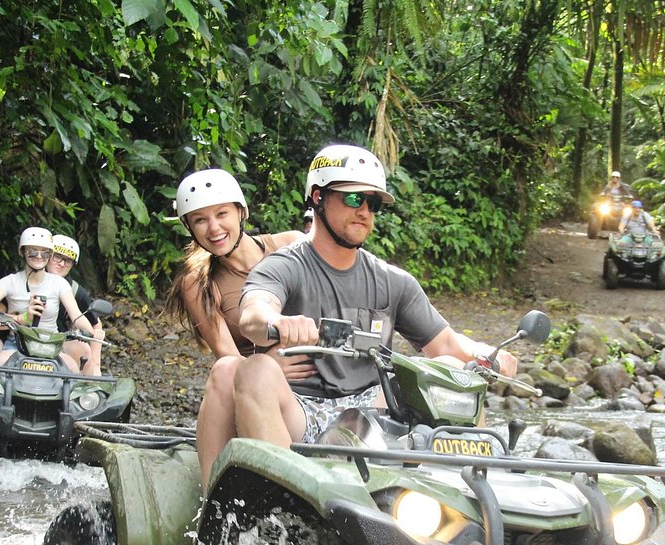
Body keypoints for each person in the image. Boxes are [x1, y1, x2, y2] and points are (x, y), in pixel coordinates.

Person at [194, 143, 519, 490]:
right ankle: (281, 506)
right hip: (301, 411)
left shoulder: (393, 281)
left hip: (372, 411)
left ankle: (474, 500)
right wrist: (278, 323)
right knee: (254, 370)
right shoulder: (283, 265)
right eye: (353, 199)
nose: (365, 210)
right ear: (318, 197)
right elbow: (254, 313)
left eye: (373, 203)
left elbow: (447, 345)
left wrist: (488, 355)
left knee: (456, 374)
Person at [163, 168, 306, 360]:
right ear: (189, 227)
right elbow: (228, 358)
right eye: (200, 220)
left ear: (241, 212)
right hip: (257, 380)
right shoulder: (198, 283)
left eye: (221, 214)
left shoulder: (292, 244)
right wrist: (271, 366)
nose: (213, 228)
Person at [0, 227, 95, 372]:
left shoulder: (59, 283)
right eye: (33, 251)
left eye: (45, 252)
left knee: (72, 369)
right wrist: (21, 317)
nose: (39, 256)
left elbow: (76, 315)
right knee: (0, 363)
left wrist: (92, 331)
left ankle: (88, 393)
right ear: (22, 252)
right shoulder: (9, 282)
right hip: (17, 344)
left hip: (51, 344)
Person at [47, 234, 105, 376]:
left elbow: (95, 324)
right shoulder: (26, 280)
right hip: (24, 339)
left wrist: (96, 363)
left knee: (82, 350)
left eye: (68, 261)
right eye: (57, 257)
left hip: (60, 341)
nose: (61, 264)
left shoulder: (76, 291)